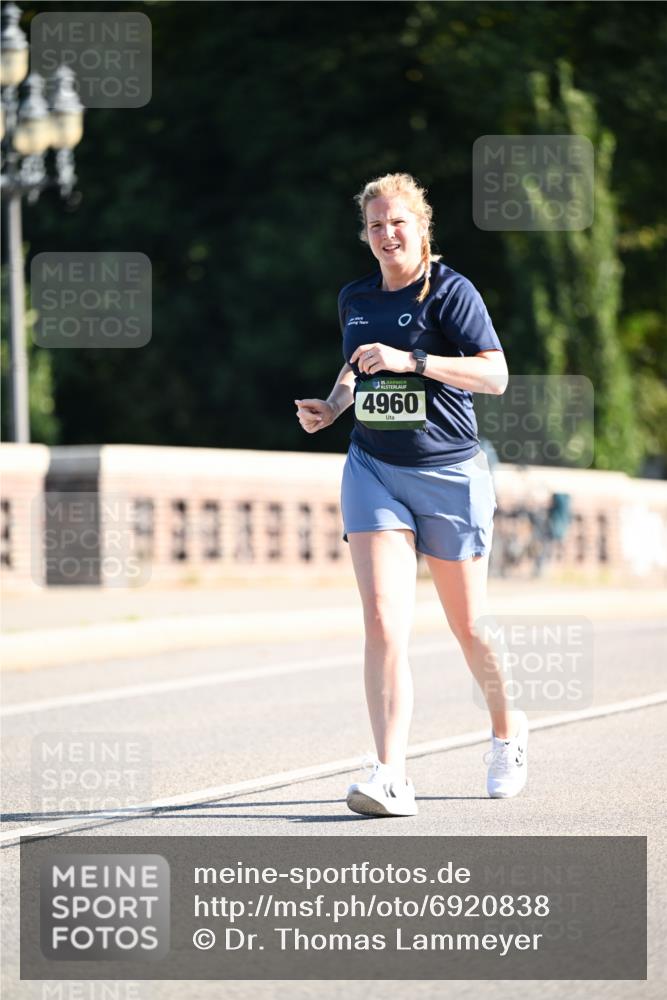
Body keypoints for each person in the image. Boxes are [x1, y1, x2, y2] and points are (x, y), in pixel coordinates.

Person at [295, 172, 527, 817]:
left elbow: (497, 374)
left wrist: (414, 361)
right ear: (365, 234)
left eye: (397, 222)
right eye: (375, 225)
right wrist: (335, 405)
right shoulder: (355, 297)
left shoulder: (451, 292)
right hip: (374, 468)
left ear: (423, 228)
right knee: (380, 619)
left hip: (449, 474)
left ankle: (507, 734)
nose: (386, 233)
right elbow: (354, 363)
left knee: (468, 625)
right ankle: (390, 774)